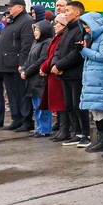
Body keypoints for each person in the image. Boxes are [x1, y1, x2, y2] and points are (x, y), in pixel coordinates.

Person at [78, 12, 103, 151]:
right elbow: (91, 58)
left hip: (101, 78)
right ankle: (101, 139)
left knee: (101, 110)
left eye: (88, 27)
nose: (87, 30)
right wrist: (83, 50)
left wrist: (84, 50)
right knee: (95, 110)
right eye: (85, 27)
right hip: (93, 78)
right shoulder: (93, 38)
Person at [52, 2, 88, 145]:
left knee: (79, 105)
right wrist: (55, 64)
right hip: (64, 73)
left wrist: (59, 65)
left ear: (77, 13)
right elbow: (59, 49)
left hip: (76, 73)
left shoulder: (80, 29)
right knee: (69, 105)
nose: (65, 13)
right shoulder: (67, 29)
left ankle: (85, 134)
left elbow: (76, 53)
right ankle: (77, 132)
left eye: (67, 10)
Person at [0, 0, 35, 131]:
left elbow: (26, 44)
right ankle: (16, 118)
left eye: (11, 6)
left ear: (21, 7)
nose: (9, 8)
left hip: (17, 64)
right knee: (12, 93)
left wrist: (22, 63)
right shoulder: (12, 21)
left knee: (21, 93)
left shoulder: (27, 21)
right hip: (7, 63)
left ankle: (26, 120)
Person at [40, 14, 70, 144]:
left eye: (57, 23)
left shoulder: (61, 38)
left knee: (61, 103)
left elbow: (53, 56)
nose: (54, 25)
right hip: (52, 73)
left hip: (57, 73)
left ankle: (65, 130)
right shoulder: (57, 37)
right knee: (58, 104)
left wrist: (44, 67)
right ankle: (62, 129)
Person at [21, 20, 54, 137]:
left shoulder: (47, 43)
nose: (35, 32)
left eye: (37, 29)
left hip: (40, 79)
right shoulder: (35, 42)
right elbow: (29, 59)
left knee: (42, 107)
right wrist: (23, 69)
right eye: (34, 29)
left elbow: (42, 60)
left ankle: (45, 129)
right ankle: (39, 128)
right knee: (37, 106)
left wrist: (27, 71)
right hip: (32, 80)